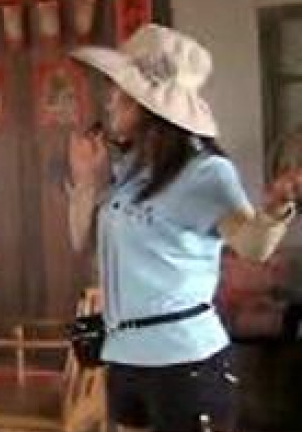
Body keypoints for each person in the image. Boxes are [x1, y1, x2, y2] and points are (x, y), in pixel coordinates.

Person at [67, 24, 302, 432]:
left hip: (185, 362)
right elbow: (80, 243)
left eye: (121, 92)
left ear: (148, 106)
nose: (110, 100)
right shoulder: (127, 170)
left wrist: (277, 207)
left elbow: (252, 247)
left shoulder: (206, 172)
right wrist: (86, 182)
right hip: (123, 358)